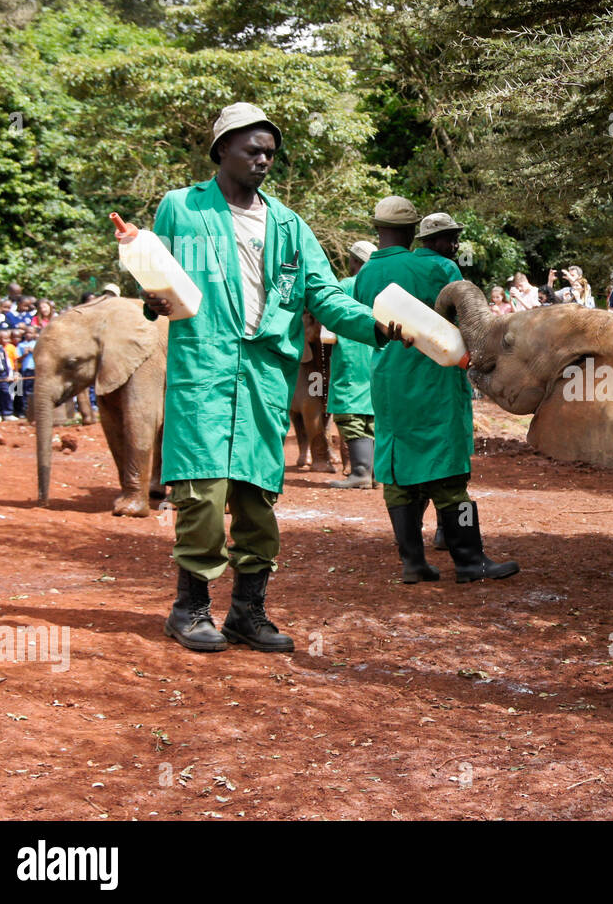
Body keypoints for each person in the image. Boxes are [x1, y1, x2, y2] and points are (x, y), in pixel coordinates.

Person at [142, 101, 398, 654]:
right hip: (203, 372)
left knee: (258, 498)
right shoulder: (181, 209)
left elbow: (323, 295)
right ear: (222, 150)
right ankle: (189, 609)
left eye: (270, 153)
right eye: (252, 149)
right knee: (203, 495)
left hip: (264, 376)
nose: (263, 160)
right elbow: (158, 275)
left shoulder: (289, 224)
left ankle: (247, 613)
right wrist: (152, 298)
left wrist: (375, 324)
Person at [354, 209, 519, 584]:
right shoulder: (442, 269)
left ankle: (412, 563)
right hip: (435, 383)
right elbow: (470, 326)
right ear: (414, 231)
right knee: (449, 474)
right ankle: (469, 561)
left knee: (397, 474)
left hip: (388, 384)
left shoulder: (365, 274)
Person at [327, 238, 381, 489]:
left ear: (354, 262)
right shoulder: (386, 286)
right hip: (380, 356)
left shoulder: (343, 286)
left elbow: (327, 321)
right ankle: (375, 474)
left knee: (350, 410)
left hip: (351, 356)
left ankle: (360, 472)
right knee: (375, 411)